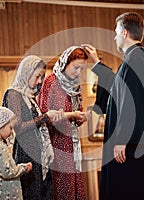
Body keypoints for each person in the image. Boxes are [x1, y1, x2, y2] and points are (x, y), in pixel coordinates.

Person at [82, 11, 144, 200]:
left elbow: (130, 102)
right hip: (132, 145)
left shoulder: (136, 59)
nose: (114, 36)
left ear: (125, 32)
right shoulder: (134, 57)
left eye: (116, 31)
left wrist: (121, 140)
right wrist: (96, 61)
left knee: (129, 192)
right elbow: (118, 87)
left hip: (131, 146)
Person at [2, 55, 64, 200]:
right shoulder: (13, 94)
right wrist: (45, 117)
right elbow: (19, 127)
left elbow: (36, 125)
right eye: (37, 76)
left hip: (40, 154)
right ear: (26, 72)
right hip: (26, 154)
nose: (39, 81)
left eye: (42, 77)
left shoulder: (30, 97)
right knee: (31, 195)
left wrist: (53, 118)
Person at [38, 46, 88, 200]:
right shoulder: (50, 82)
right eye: (76, 67)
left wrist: (80, 118)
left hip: (71, 143)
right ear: (66, 63)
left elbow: (77, 110)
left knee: (73, 187)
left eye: (81, 69)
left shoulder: (75, 85)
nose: (78, 72)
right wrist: (71, 114)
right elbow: (44, 115)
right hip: (55, 143)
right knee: (61, 188)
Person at [0, 106, 33, 200]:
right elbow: (7, 171)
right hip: (5, 192)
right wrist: (24, 168)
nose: (11, 132)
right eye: (11, 128)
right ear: (1, 125)